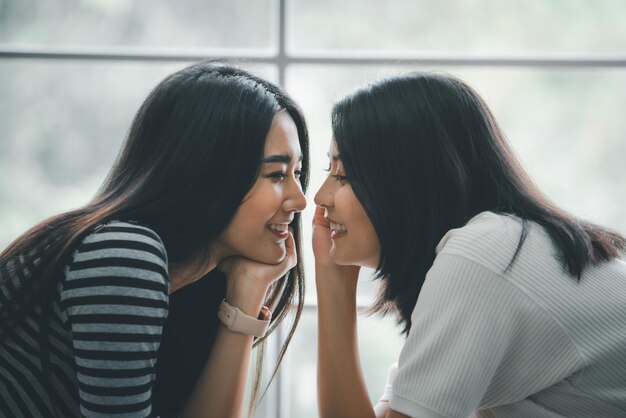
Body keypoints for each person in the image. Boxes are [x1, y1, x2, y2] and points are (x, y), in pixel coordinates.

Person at [0, 61, 309, 418]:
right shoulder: (124, 255)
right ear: (204, 172)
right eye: (276, 174)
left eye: (297, 173)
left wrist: (244, 299)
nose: (300, 200)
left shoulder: (193, 284)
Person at [313, 71, 626, 418]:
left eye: (342, 176)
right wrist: (332, 279)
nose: (320, 196)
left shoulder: (485, 253)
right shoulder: (499, 246)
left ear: (407, 181)